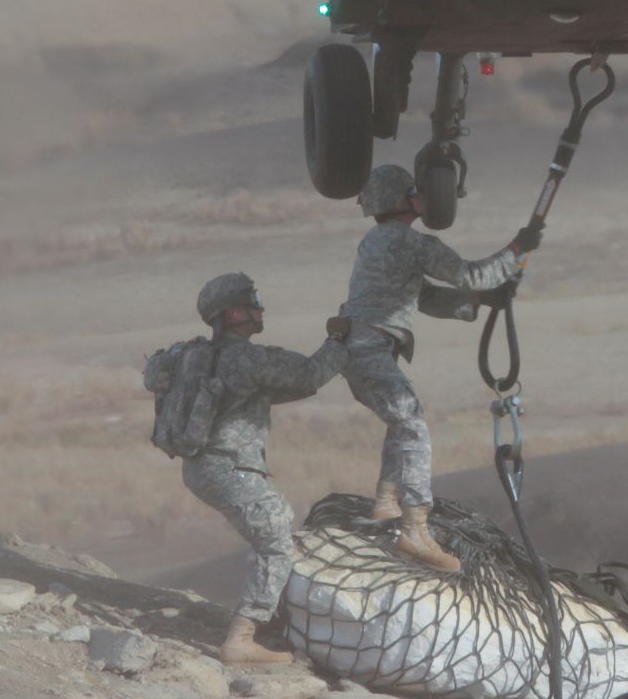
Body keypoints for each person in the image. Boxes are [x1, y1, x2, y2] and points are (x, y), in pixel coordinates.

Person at [339, 165, 541, 572]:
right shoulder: (409, 242)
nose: (422, 197)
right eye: (414, 191)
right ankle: (414, 529)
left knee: (403, 420)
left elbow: (426, 297)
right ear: (400, 201)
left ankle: (385, 501)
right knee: (412, 423)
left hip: (359, 348)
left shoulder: (377, 241)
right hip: (369, 349)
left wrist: (479, 303)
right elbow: (469, 274)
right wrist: (517, 250)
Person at [169, 272, 350, 664]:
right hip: (229, 468)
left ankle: (267, 617)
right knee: (275, 535)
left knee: (272, 530)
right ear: (234, 313)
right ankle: (243, 637)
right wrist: (338, 340)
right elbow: (308, 374)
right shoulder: (246, 358)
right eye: (253, 303)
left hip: (202, 467)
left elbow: (284, 387)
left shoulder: (193, 354)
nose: (261, 308)